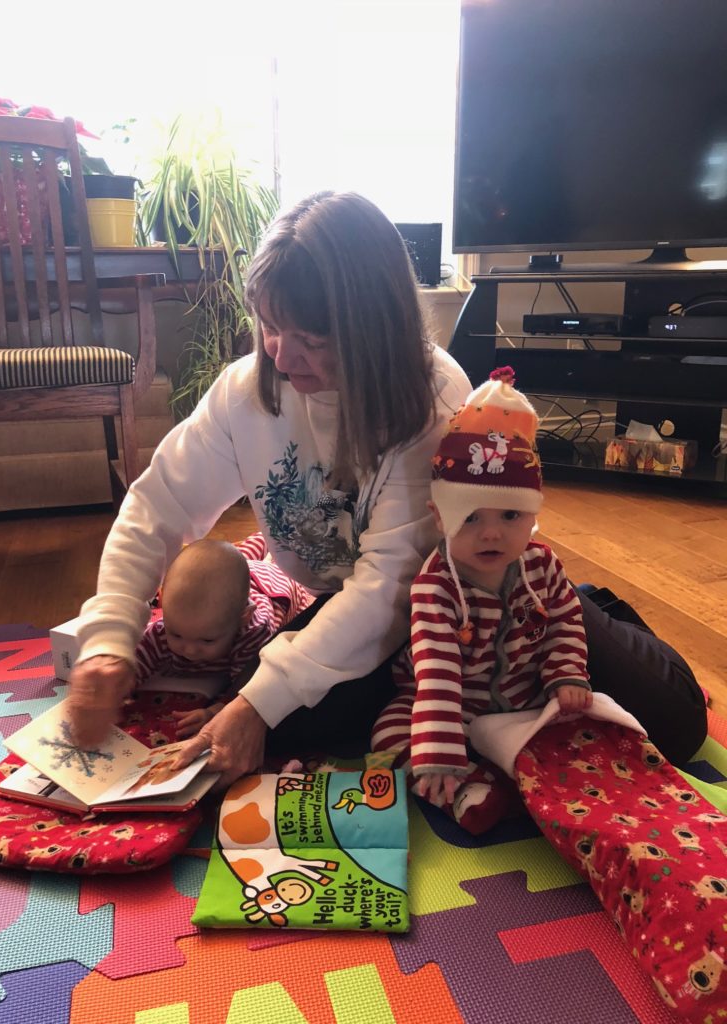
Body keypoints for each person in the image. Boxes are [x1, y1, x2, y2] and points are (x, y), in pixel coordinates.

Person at [65, 190, 472, 785]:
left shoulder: (432, 400)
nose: (282, 356)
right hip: (342, 604)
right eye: (270, 326)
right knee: (251, 690)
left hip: (441, 611)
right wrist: (108, 637)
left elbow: (389, 590)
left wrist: (258, 706)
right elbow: (160, 504)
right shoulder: (246, 390)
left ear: (372, 330)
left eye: (312, 337)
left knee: (277, 715)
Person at [372, 366, 707, 834]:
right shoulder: (436, 586)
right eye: (471, 517)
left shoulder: (541, 564)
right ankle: (466, 790)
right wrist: (440, 749)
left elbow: (567, 622)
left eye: (511, 515)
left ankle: (535, 774)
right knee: (392, 736)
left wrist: (566, 675)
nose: (493, 532)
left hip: (524, 697)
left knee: (584, 728)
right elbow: (437, 673)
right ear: (440, 517)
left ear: (532, 514)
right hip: (446, 702)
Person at [133, 537, 313, 738]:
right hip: (230, 586)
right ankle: (258, 544)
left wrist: (214, 711)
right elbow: (137, 661)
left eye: (207, 640)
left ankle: (268, 541)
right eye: (176, 634)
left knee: (278, 563)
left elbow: (251, 691)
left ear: (242, 620)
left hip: (277, 585)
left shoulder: (253, 634)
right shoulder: (164, 629)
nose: (189, 650)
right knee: (230, 561)